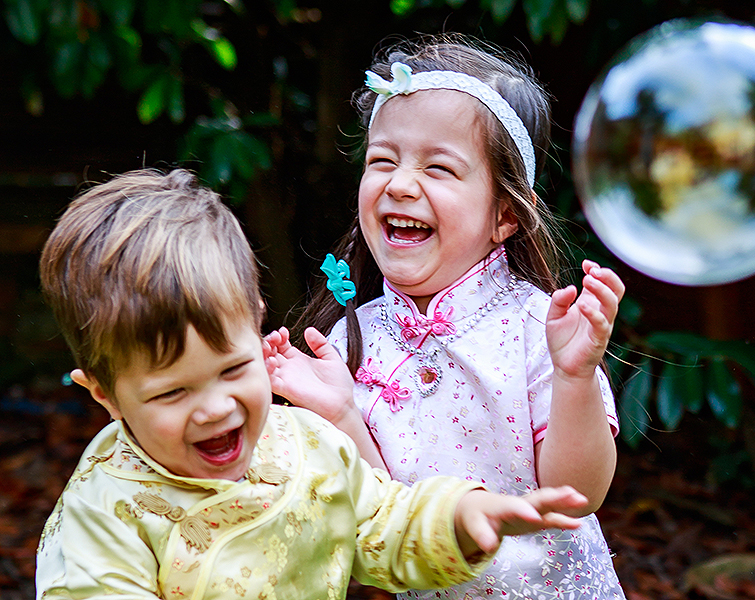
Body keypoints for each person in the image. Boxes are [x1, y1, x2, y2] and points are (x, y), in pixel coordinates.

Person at [34, 168, 592, 600]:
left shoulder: (303, 445)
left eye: (233, 369)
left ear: (257, 324)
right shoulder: (104, 513)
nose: (216, 408)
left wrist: (463, 518)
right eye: (172, 393)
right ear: (104, 394)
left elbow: (384, 522)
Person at [265, 35, 627, 599]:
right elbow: (380, 517)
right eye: (382, 160)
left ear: (505, 215)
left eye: (438, 168)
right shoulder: (350, 339)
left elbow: (576, 495)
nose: (400, 183)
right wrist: (340, 413)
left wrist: (576, 376)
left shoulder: (539, 328)